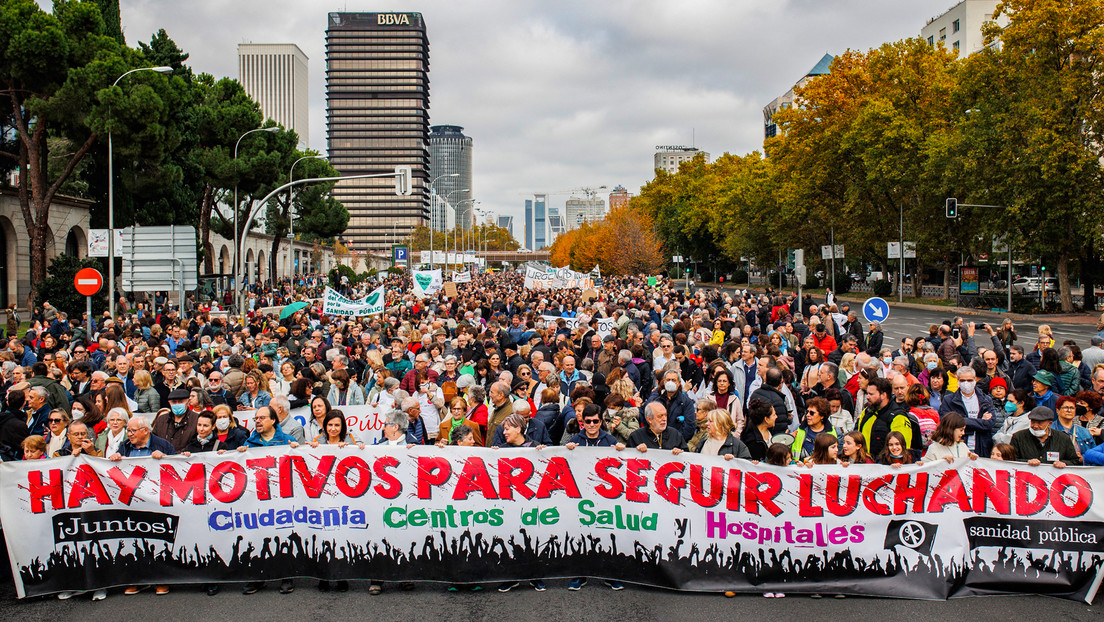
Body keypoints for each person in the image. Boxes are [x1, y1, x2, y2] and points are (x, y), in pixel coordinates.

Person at [239, 405, 298, 595]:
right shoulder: (249, 443)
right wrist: (238, 455)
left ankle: (286, 576)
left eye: (262, 418)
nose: (258, 421)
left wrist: (298, 450)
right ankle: (258, 577)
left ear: (273, 420)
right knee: (258, 538)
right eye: (256, 418)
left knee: (283, 535)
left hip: (282, 497)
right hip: (258, 498)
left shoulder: (287, 441)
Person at [1010, 406, 1079, 467]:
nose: (1035, 426)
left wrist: (1064, 463)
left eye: (1040, 423)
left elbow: (1075, 461)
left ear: (1049, 424)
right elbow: (1010, 460)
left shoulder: (1063, 439)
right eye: (1033, 422)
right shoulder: (1018, 437)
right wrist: (1027, 462)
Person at [623, 402, 688, 452]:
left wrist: (680, 453)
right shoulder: (636, 436)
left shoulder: (675, 434)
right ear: (649, 419)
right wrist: (636, 451)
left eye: (665, 415)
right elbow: (629, 458)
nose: (664, 419)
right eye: (660, 416)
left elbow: (687, 456)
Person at [151, 388, 199, 453]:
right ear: (169, 403)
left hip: (186, 457)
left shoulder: (197, 419)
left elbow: (197, 442)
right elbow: (154, 440)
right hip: (163, 457)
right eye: (174, 402)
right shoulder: (162, 419)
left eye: (181, 401)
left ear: (188, 402)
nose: (177, 404)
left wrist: (181, 453)